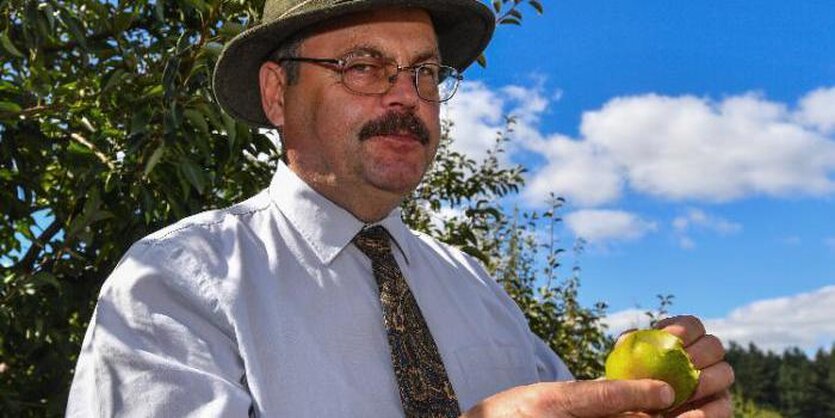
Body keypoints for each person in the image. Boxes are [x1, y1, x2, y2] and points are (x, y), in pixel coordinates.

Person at [67, 0, 734, 416]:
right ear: (277, 93)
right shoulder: (176, 284)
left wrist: (648, 404)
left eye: (424, 72)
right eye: (363, 65)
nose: (406, 96)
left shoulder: (476, 289)